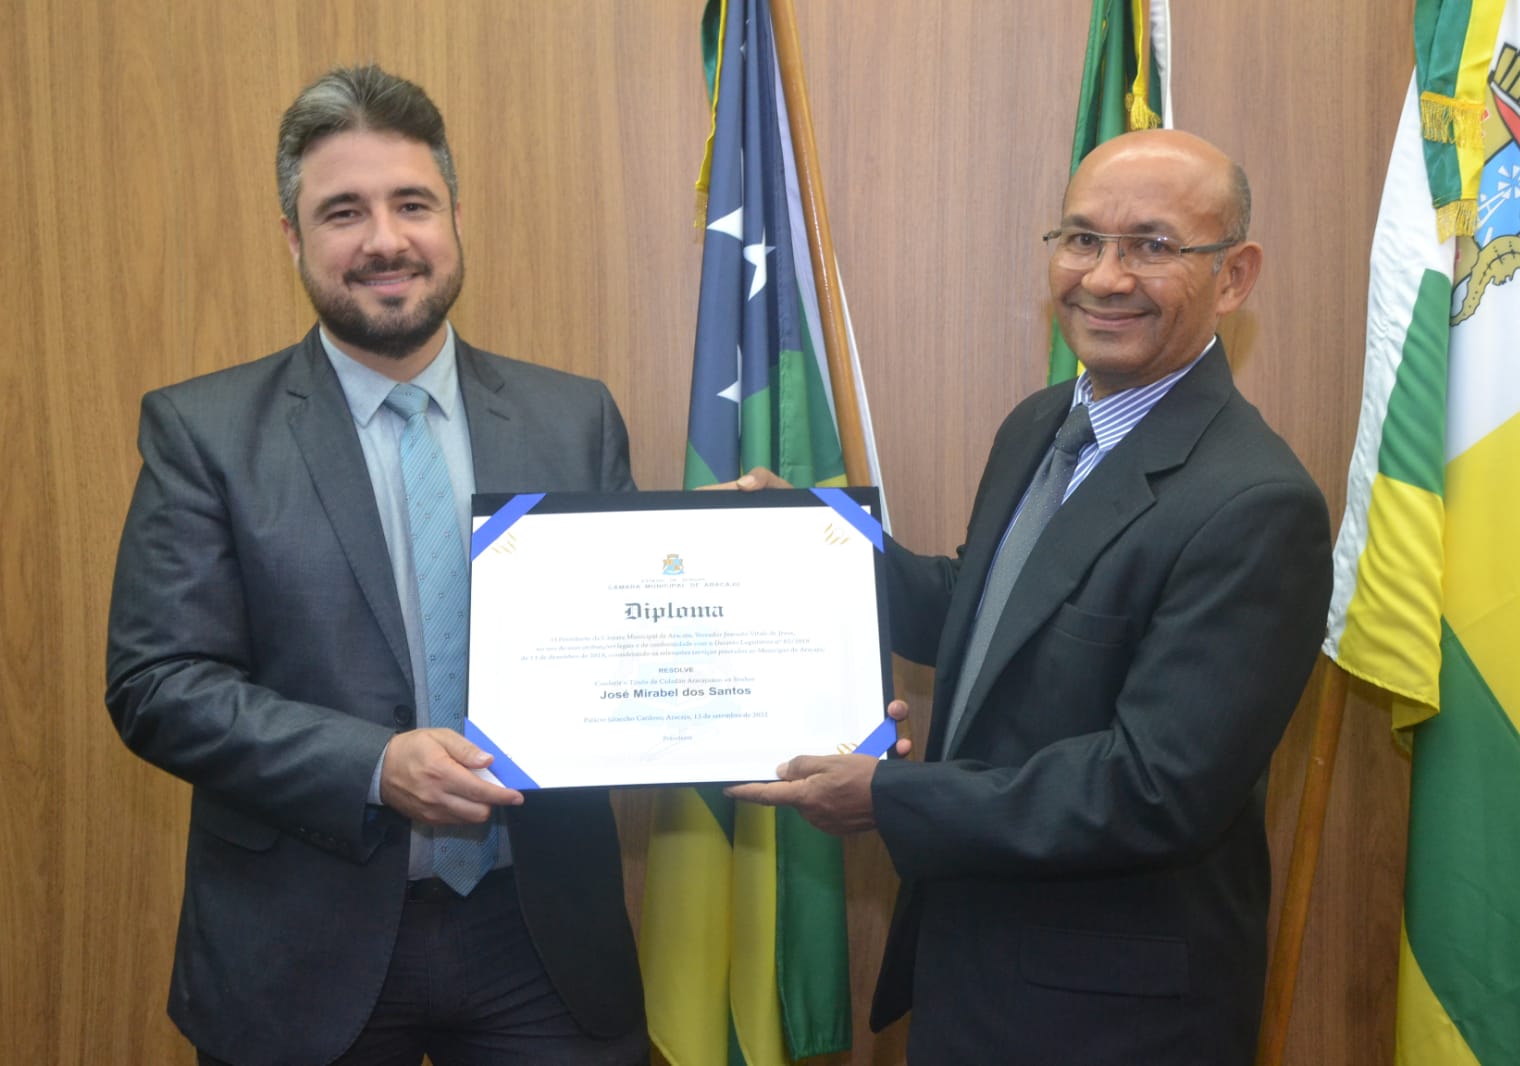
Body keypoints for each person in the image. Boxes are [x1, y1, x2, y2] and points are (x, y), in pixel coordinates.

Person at [726, 129, 1333, 1064]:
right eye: (1081, 238)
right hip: (975, 973)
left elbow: (1151, 788)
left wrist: (892, 799)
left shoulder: (1256, 505)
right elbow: (984, 609)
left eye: (1153, 245)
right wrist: (808, 553)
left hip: (1110, 1020)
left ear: (1235, 274)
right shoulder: (1041, 423)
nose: (1104, 276)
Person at [105, 66, 645, 1066]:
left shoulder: (575, 419)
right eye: (343, 211)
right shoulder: (205, 432)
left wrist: (761, 626)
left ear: (453, 216)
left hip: (542, 941)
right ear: (294, 237)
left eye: (412, 203)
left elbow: (625, 654)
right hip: (299, 948)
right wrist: (372, 766)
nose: (385, 239)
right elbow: (157, 686)